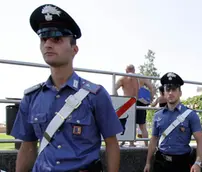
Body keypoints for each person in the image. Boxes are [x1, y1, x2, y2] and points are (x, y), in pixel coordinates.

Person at [10, 4, 123, 172]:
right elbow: (27, 146)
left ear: (74, 49)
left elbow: (112, 143)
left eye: (56, 39)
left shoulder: (95, 95)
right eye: (43, 39)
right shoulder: (32, 97)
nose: (48, 44)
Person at [144, 72, 202, 172]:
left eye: (174, 89)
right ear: (164, 93)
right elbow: (154, 139)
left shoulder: (190, 115)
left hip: (181, 163)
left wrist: (198, 162)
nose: (170, 93)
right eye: (168, 89)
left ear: (180, 92)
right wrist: (148, 162)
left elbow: (201, 140)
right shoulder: (157, 115)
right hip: (160, 162)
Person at [115, 64, 155, 147]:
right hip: (140, 102)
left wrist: (119, 100)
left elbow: (114, 88)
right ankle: (146, 145)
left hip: (128, 102)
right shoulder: (141, 78)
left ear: (126, 71)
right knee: (143, 126)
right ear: (134, 70)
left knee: (128, 124)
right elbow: (152, 87)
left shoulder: (123, 78)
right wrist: (151, 99)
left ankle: (131, 144)